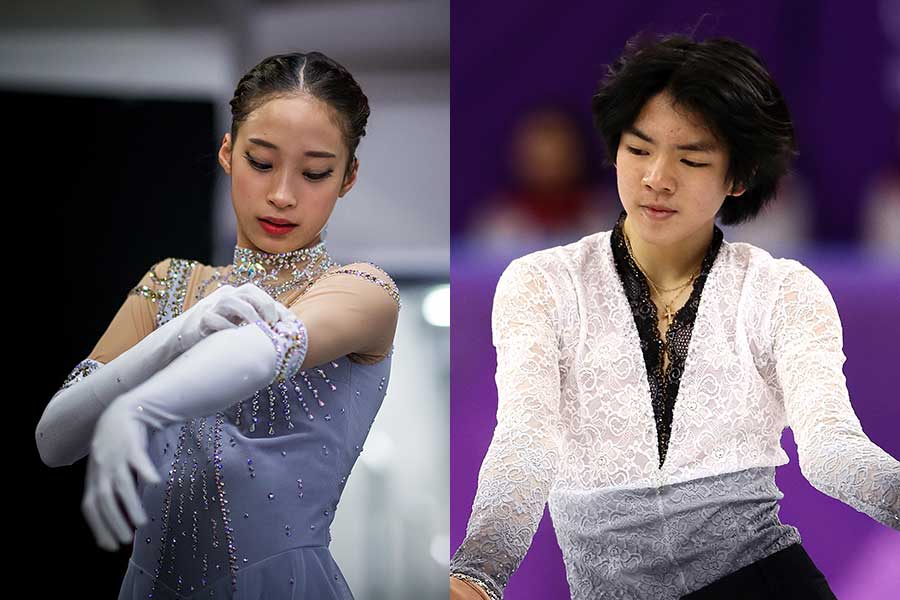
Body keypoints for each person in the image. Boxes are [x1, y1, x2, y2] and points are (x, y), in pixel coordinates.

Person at [450, 33, 900, 600]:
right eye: (638, 149)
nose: (656, 177)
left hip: (763, 581)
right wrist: (478, 571)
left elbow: (832, 450)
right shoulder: (542, 284)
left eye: (691, 158)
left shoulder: (781, 291)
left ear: (737, 177)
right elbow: (525, 440)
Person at [35, 51, 401, 599]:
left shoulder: (363, 290)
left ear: (347, 176)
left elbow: (264, 352)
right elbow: (53, 441)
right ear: (228, 153)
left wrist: (140, 406)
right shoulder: (170, 284)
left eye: (315, 172)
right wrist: (176, 333)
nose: (282, 193)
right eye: (260, 162)